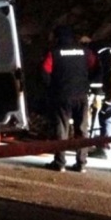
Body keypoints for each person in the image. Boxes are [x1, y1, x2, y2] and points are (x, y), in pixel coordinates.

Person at [40, 25, 97, 173]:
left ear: (58, 37)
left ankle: (60, 163)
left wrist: (51, 88)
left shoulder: (54, 52)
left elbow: (45, 72)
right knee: (82, 129)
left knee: (62, 128)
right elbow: (96, 67)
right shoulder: (85, 52)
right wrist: (87, 83)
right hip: (81, 95)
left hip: (62, 95)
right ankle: (81, 163)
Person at [85, 36, 111, 159]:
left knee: (105, 117)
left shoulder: (96, 52)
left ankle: (103, 148)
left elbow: (96, 71)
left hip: (103, 90)